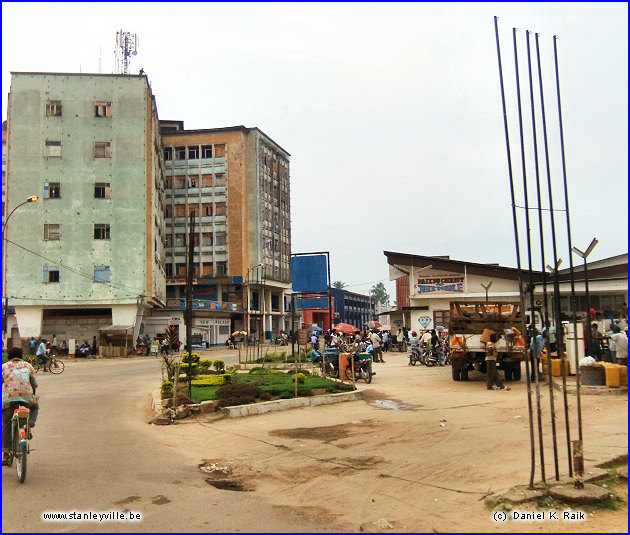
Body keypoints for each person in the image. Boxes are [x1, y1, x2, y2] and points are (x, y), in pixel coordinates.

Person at [2, 347, 39, 465]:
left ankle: (6, 452)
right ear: (21, 355)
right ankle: (29, 424)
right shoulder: (28, 366)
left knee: (6, 422)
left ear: (9, 356)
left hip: (9, 398)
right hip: (26, 396)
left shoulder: (4, 367)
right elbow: (34, 384)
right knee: (35, 407)